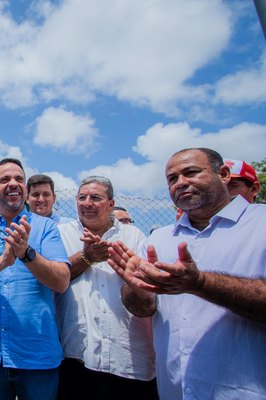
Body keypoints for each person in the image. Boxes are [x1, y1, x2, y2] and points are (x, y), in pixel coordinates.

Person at [108, 148, 266, 399]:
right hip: (174, 389)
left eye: (191, 172)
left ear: (223, 174)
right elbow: (140, 308)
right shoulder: (159, 238)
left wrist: (201, 284)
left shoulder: (261, 224)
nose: (181, 183)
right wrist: (138, 290)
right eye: (172, 179)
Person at [0, 158, 70, 400]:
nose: (13, 183)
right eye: (5, 179)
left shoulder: (46, 228)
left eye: (19, 179)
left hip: (37, 353)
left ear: (26, 189)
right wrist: (3, 261)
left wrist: (27, 255)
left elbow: (61, 281)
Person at [55, 176, 157, 400]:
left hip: (126, 358)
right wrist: (86, 257)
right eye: (82, 197)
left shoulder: (133, 237)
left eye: (96, 197)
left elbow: (146, 292)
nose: (87, 203)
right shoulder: (62, 234)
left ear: (111, 204)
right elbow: (53, 278)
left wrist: (133, 277)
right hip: (76, 354)